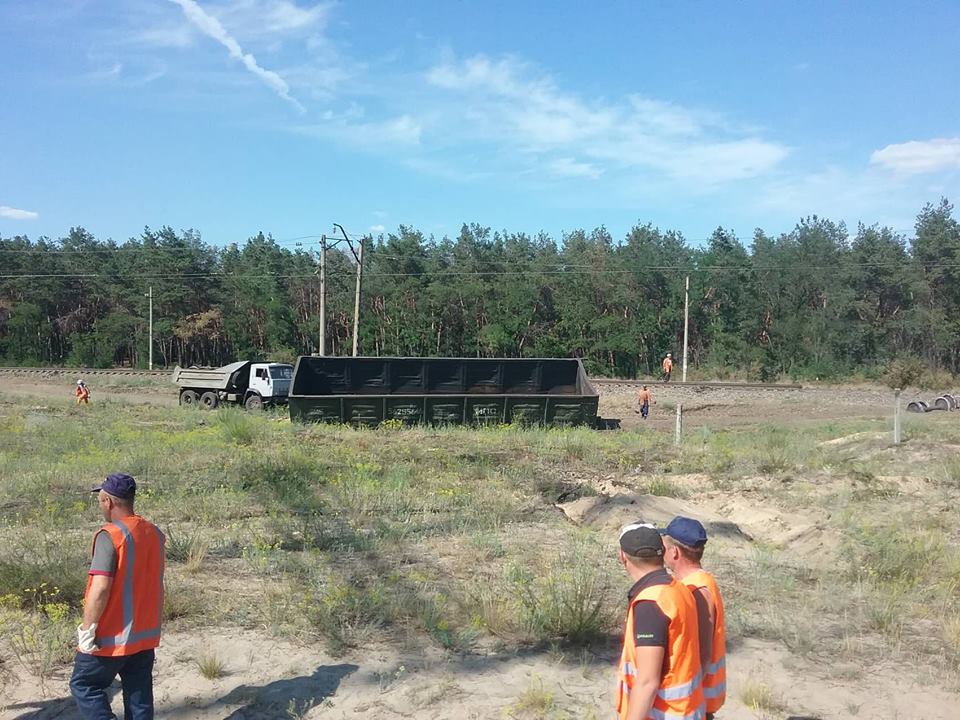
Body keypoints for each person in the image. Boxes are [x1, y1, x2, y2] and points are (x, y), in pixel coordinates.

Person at [70, 473, 165, 720]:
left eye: (100, 499)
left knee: (84, 685)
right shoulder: (154, 533)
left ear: (108, 501)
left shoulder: (110, 535)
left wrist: (87, 631)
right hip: (144, 637)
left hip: (110, 639)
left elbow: (100, 589)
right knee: (139, 697)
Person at [615, 523, 705, 720]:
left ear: (623, 556)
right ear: (663, 552)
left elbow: (647, 682)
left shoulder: (650, 603)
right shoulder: (678, 588)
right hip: (687, 711)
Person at [662, 517, 726, 719]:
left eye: (664, 545)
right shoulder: (700, 580)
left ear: (674, 552)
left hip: (696, 705)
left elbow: (703, 654)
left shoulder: (696, 590)